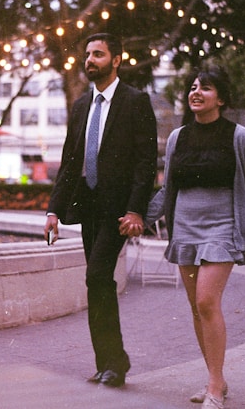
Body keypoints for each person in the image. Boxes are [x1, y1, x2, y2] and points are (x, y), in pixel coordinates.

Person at [144, 65, 245, 409]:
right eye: (193, 87)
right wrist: (139, 217)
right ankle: (215, 379)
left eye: (205, 87)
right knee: (197, 308)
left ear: (221, 98)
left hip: (222, 228)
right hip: (185, 229)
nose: (196, 92)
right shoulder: (177, 138)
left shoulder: (239, 137)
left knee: (206, 301)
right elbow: (168, 189)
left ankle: (215, 387)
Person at [44, 33, 157, 388]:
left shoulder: (135, 101)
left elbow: (146, 162)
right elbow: (69, 161)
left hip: (118, 211)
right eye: (88, 54)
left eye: (98, 54)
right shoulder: (81, 106)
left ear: (116, 59)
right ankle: (108, 363)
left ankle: (115, 362)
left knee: (96, 275)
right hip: (88, 205)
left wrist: (136, 210)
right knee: (97, 280)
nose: (90, 60)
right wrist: (53, 211)